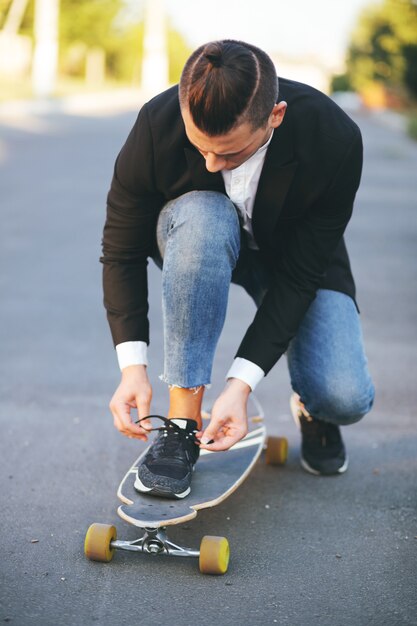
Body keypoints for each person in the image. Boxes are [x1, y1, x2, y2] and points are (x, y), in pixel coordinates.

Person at [101, 39, 375, 499]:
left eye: (229, 154)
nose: (211, 163)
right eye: (199, 147)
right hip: (196, 239)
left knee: (343, 397)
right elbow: (121, 249)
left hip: (293, 258)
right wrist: (132, 367)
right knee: (208, 214)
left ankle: (313, 410)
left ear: (276, 116)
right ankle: (181, 427)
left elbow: (300, 277)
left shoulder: (334, 139)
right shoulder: (157, 121)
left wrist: (241, 385)